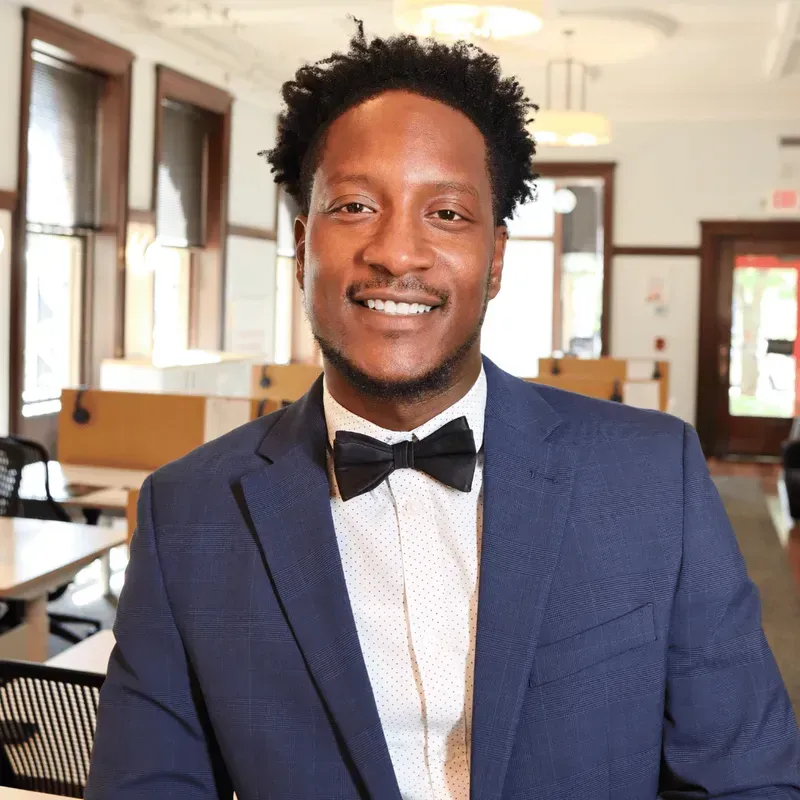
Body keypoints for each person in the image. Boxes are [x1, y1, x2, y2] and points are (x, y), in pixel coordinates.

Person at [86, 21, 800, 800]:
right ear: (301, 247)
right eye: (355, 205)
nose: (397, 253)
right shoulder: (186, 513)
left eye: (448, 214)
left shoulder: (652, 476)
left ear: (496, 260)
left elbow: (746, 780)